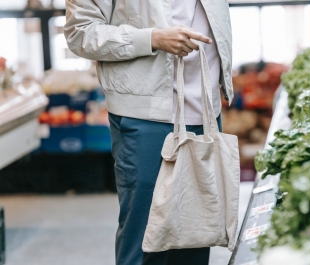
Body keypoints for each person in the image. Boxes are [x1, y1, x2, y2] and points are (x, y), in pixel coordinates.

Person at [64, 0, 233, 265]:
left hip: (205, 112)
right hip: (145, 115)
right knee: (145, 243)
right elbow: (80, 32)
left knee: (196, 239)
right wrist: (152, 38)